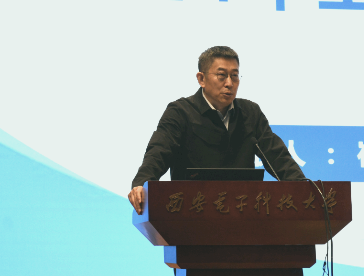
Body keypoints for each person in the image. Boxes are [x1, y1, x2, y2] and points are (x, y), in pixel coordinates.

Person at [127, 46, 305, 214]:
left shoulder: (250, 113)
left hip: (244, 212)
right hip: (191, 212)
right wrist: (142, 183)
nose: (229, 83)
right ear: (201, 79)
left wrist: (303, 187)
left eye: (235, 76)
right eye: (222, 75)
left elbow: (276, 155)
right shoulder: (180, 112)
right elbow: (159, 152)